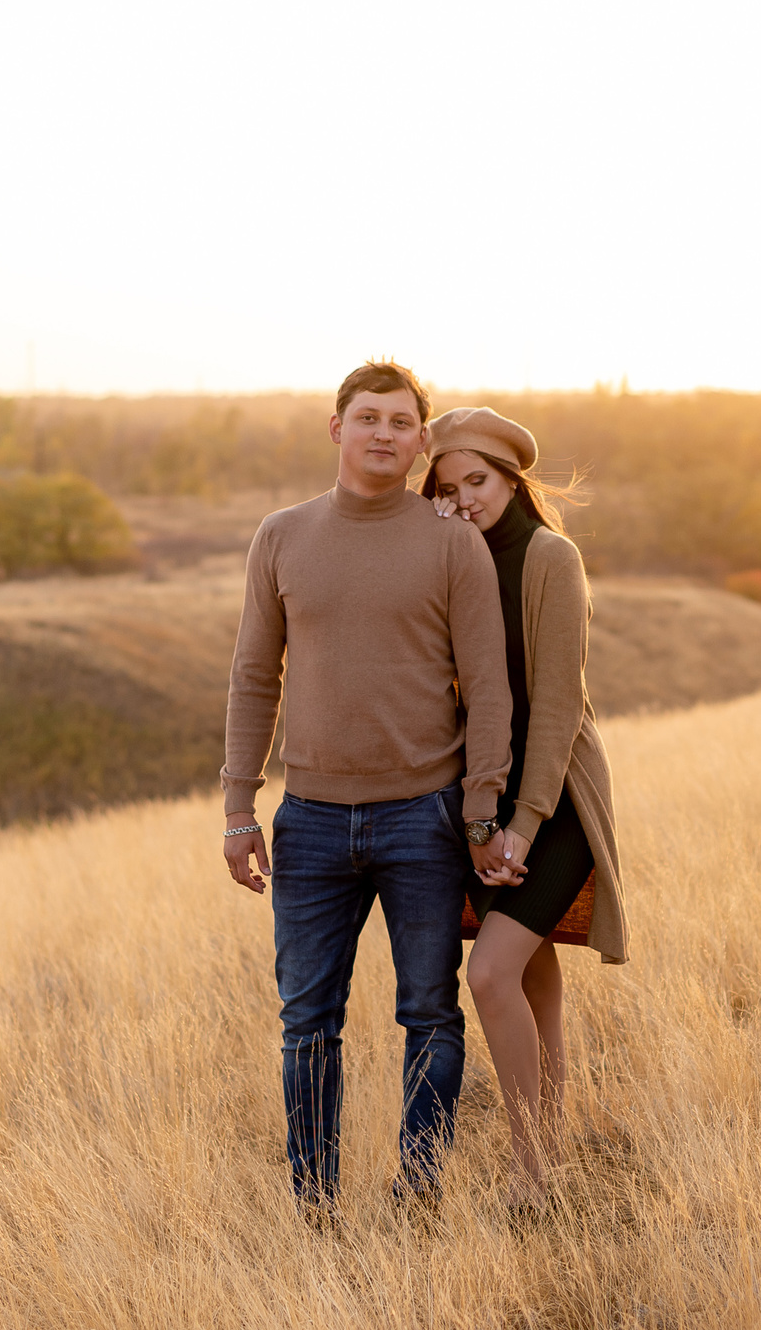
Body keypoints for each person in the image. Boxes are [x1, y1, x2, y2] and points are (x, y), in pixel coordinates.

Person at [220, 361, 515, 1212]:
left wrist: (483, 803)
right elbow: (252, 677)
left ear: (421, 439)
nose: (384, 432)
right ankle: (315, 1203)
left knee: (429, 1012)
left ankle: (419, 1193)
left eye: (401, 421)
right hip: (308, 820)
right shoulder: (281, 535)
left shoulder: (452, 543)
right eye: (368, 417)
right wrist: (240, 807)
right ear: (336, 427)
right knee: (307, 1020)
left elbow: (487, 685)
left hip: (424, 815)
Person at [422, 406, 631, 1209]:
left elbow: (556, 705)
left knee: (491, 973)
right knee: (534, 974)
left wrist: (523, 822)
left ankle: (530, 1173)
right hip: (481, 799)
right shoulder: (453, 558)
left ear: (512, 478)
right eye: (448, 487)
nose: (467, 497)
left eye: (478, 480)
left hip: (554, 799)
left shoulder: (551, 557)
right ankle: (554, 1149)